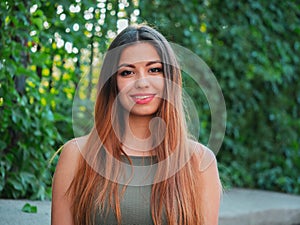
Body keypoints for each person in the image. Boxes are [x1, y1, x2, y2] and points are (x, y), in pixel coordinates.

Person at [51, 24, 221, 225]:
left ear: (170, 79)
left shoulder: (200, 162)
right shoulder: (77, 155)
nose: (142, 82)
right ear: (112, 82)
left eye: (154, 69)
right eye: (127, 73)